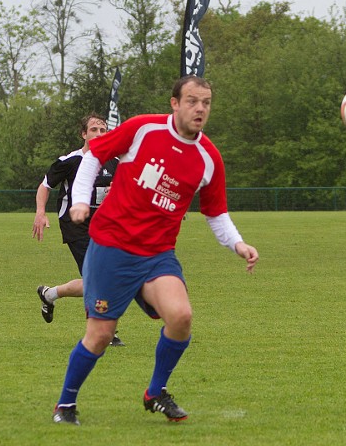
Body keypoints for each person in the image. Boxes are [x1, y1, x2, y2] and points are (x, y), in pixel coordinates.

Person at [51, 75, 259, 426]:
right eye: (192, 101)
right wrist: (81, 201)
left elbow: (216, 212)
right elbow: (94, 157)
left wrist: (237, 243)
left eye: (206, 102)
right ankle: (66, 404)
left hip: (157, 254)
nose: (200, 108)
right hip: (112, 246)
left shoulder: (209, 158)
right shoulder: (143, 129)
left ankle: (155, 392)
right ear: (175, 103)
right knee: (101, 335)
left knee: (181, 317)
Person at [32, 114, 124, 346]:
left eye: (103, 130)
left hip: (106, 224)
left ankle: (49, 294)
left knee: (103, 279)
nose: (99, 134)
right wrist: (40, 213)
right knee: (98, 279)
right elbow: (45, 186)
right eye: (94, 129)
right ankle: (104, 332)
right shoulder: (70, 161)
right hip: (76, 225)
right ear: (84, 134)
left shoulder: (115, 161)